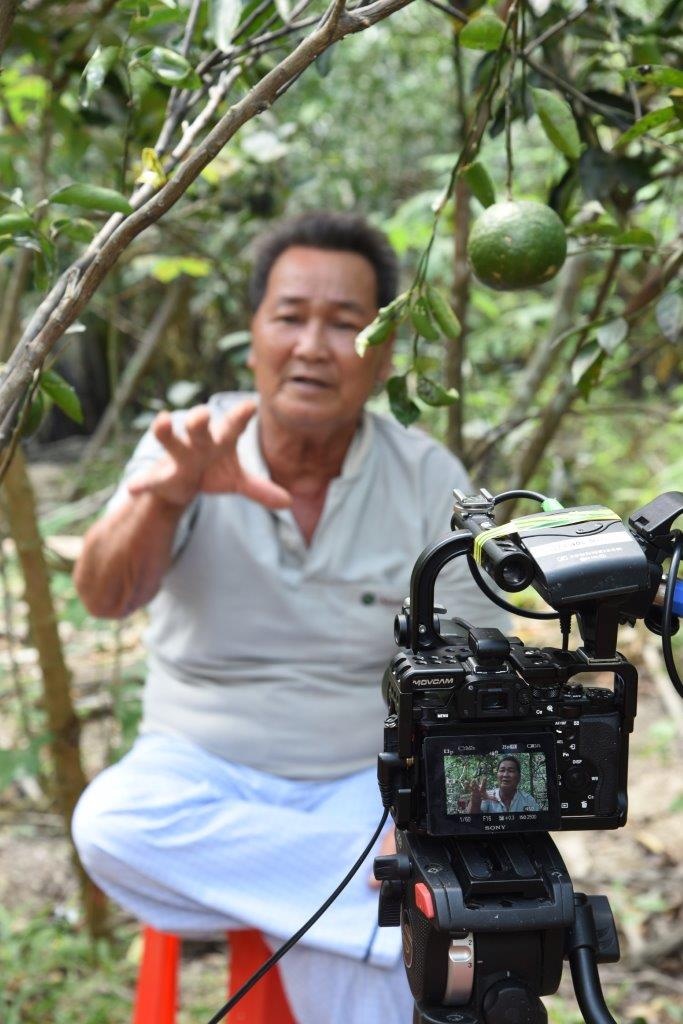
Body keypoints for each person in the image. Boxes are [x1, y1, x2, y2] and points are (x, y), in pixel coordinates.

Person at [71, 211, 505, 1024]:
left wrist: (423, 809)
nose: (311, 345)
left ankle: (356, 899)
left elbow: (484, 649)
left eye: (345, 324)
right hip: (199, 771)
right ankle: (383, 904)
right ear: (254, 334)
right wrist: (163, 496)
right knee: (109, 826)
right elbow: (103, 596)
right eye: (289, 317)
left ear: (380, 357)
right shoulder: (192, 442)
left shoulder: (422, 474)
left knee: (365, 930)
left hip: (364, 781)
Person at [467, 756, 540, 814]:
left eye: (511, 771)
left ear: (519, 777)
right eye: (502, 770)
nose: (505, 775)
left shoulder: (528, 800)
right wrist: (475, 801)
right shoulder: (485, 796)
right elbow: (473, 823)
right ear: (497, 775)